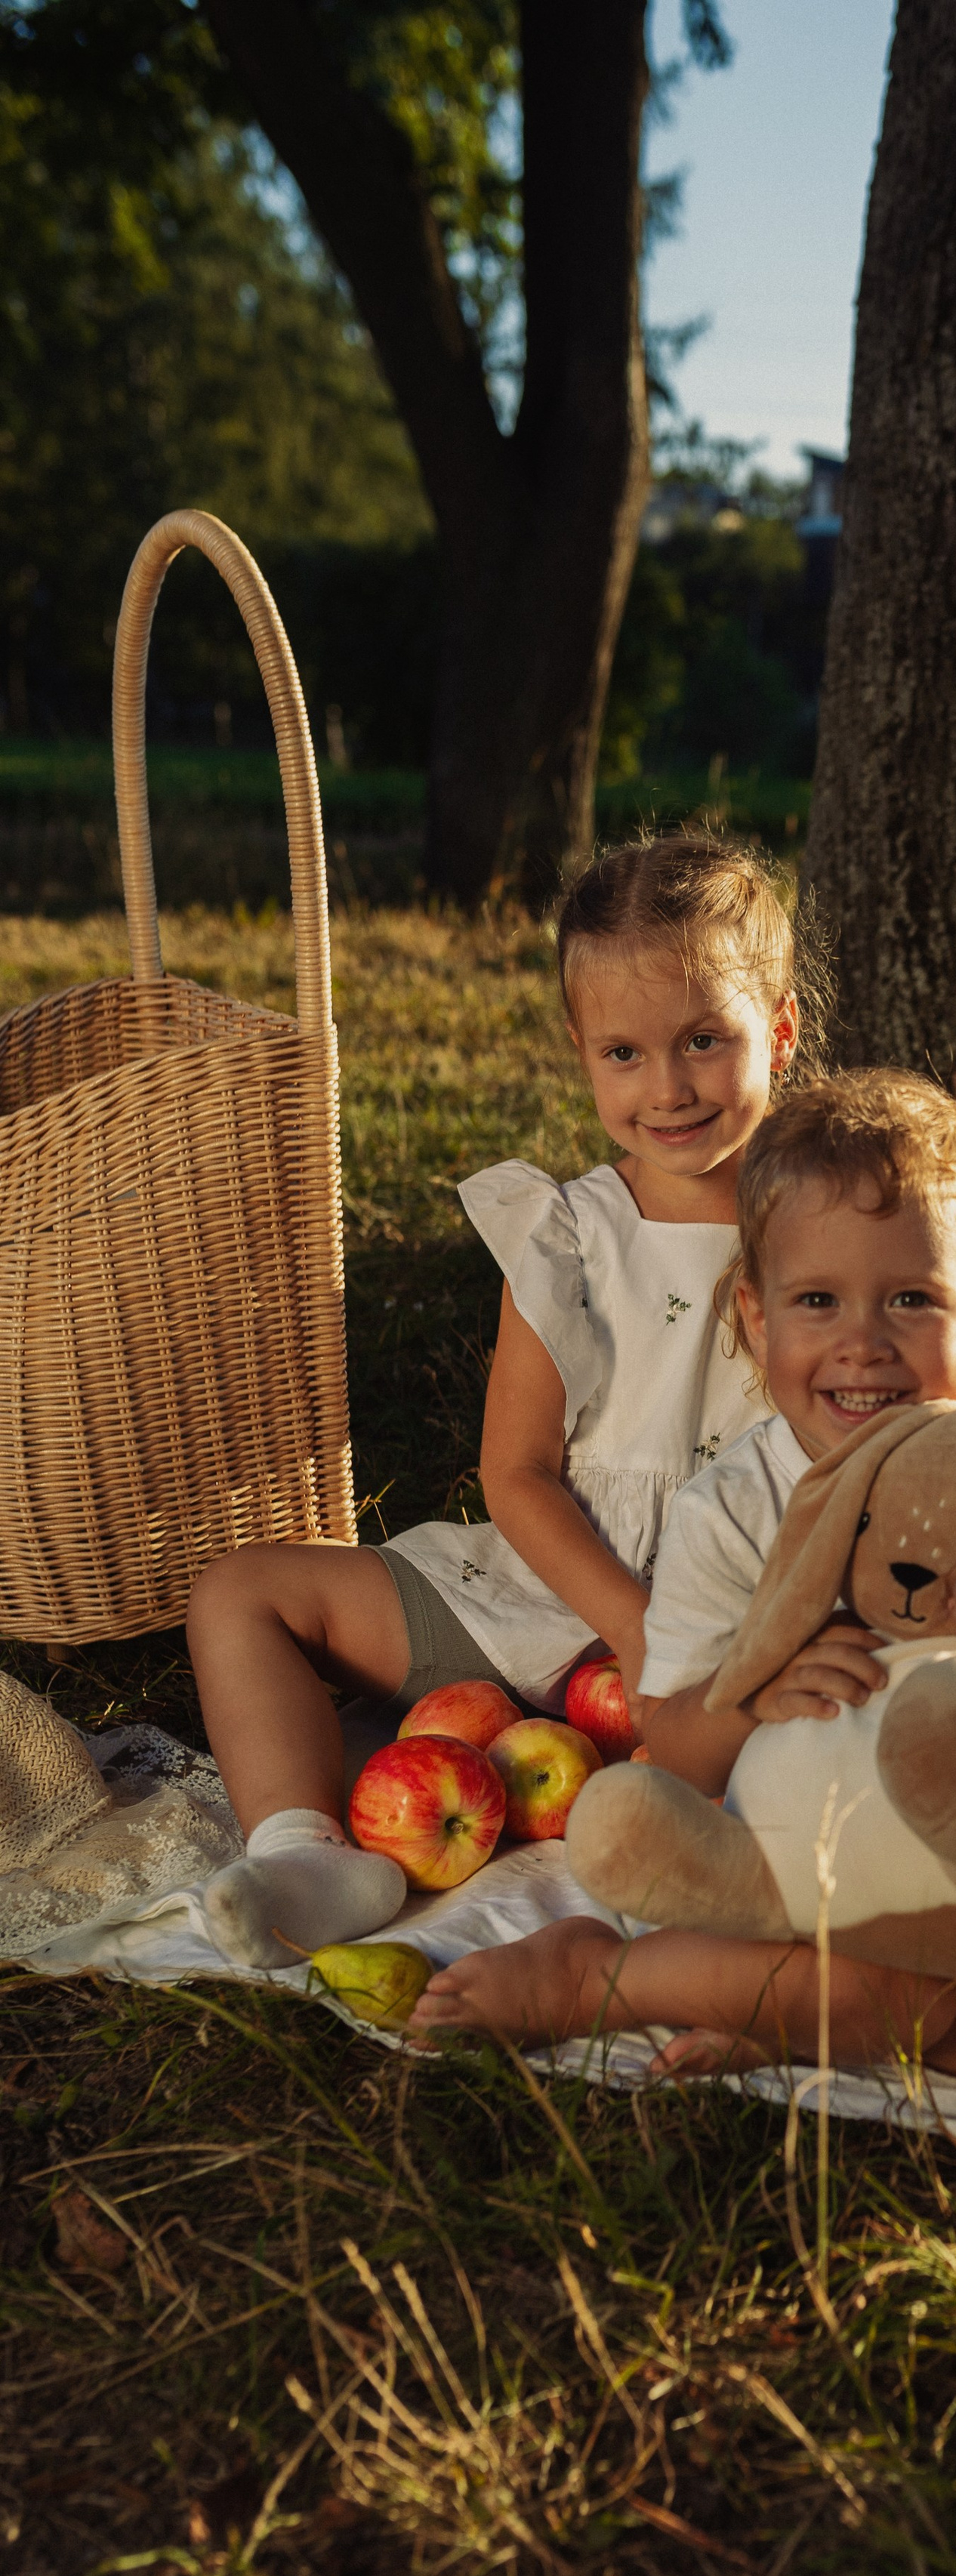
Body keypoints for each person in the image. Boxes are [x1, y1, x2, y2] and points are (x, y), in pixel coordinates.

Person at [411, 1069, 956, 2081]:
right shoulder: (735, 1510)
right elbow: (672, 1740)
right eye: (818, 1300)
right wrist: (756, 1693)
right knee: (884, 1988)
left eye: (912, 1300)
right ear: (757, 1323)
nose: (863, 1342)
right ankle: (599, 1980)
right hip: (809, 1886)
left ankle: (798, 2026)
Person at [184, 831, 806, 1961]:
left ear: (783, 1027)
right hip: (548, 1592)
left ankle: (679, 1839)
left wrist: (692, 1655)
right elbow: (514, 1473)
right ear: (580, 1054)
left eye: (705, 1041)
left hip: (741, 1621)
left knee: (805, 1756)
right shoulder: (566, 1235)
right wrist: (632, 1629)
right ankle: (306, 1852)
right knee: (241, 1593)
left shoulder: (822, 1219)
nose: (667, 1088)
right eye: (624, 1053)